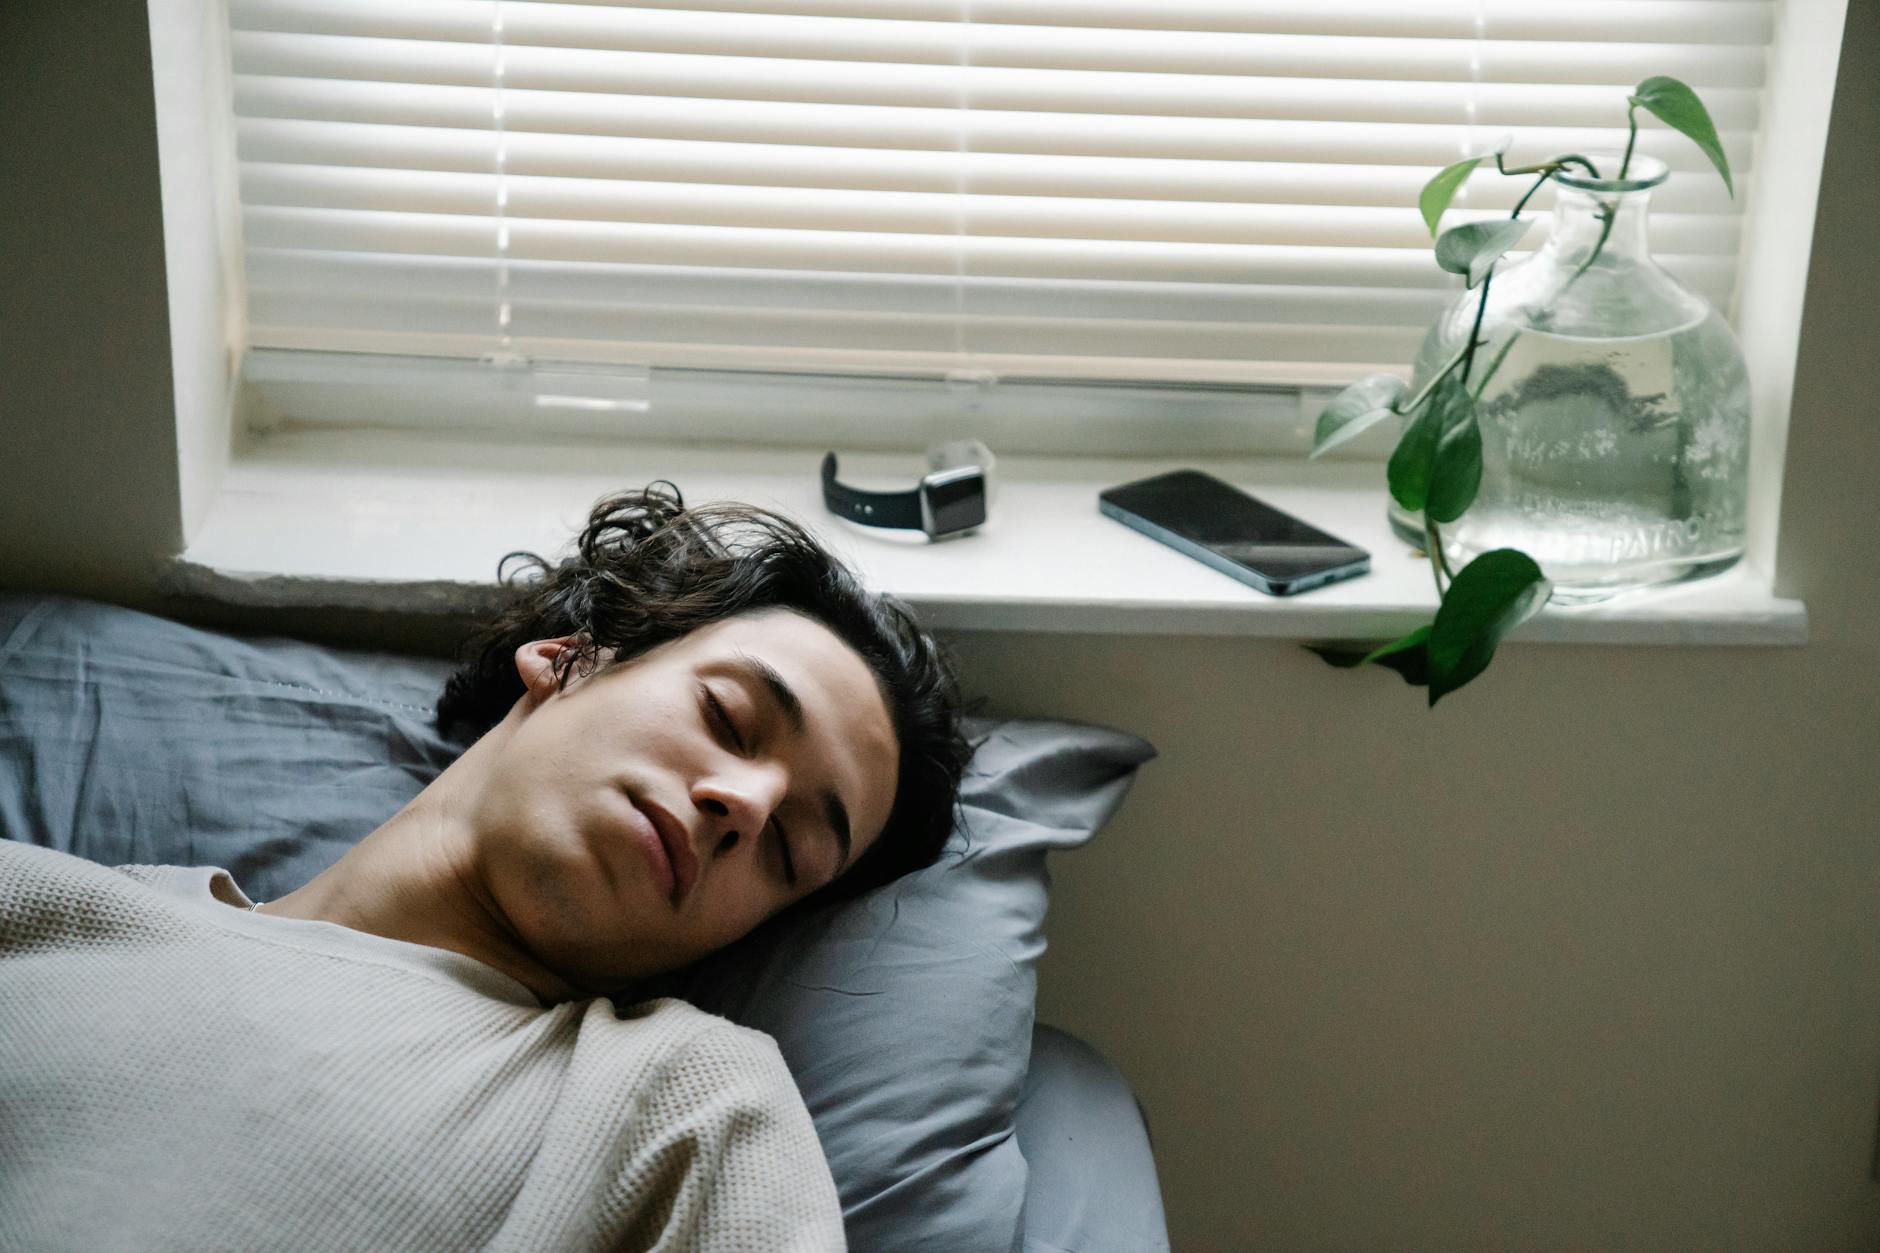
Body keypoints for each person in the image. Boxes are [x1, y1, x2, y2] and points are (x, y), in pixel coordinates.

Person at [0, 485, 971, 1252]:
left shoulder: (685, 1113)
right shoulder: (43, 908)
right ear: (568, 657)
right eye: (726, 716)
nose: (745, 805)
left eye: (789, 849)